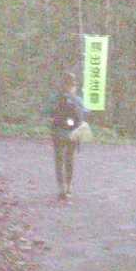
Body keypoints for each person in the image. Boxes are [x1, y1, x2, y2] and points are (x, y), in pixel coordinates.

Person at [46, 72, 89, 201]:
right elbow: (86, 112)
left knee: (59, 159)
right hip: (73, 133)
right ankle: (69, 186)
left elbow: (46, 112)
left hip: (58, 132)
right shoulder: (78, 99)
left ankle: (61, 187)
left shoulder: (55, 98)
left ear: (62, 84)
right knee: (70, 159)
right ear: (74, 86)